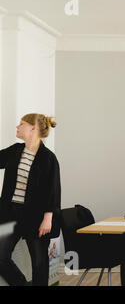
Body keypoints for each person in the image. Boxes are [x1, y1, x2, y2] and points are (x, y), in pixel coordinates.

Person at [0, 114, 61, 286]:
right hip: (10, 214)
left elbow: (53, 190)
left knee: (39, 264)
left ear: (33, 128)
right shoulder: (15, 150)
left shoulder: (48, 158)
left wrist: (47, 218)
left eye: (22, 124)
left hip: (36, 217)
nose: (18, 127)